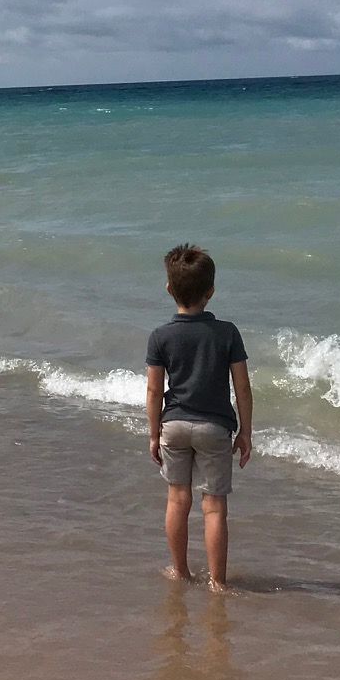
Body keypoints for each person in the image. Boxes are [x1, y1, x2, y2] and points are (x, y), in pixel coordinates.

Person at [146, 244, 252, 592]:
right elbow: (242, 387)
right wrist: (246, 432)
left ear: (168, 289)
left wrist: (153, 433)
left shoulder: (160, 336)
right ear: (211, 291)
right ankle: (217, 583)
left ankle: (181, 571)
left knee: (178, 500)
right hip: (214, 427)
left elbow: (153, 390)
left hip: (174, 424)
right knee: (214, 507)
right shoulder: (227, 332)